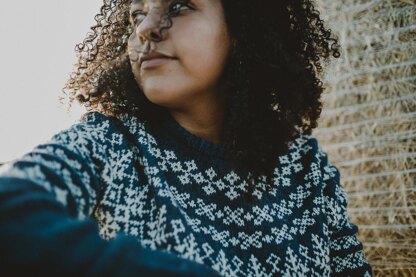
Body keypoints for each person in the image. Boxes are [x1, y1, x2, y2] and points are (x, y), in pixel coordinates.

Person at [0, 0, 373, 276]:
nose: (145, 28)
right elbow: (9, 211)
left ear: (244, 31)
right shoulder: (110, 144)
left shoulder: (306, 170)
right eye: (137, 13)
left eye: (178, 6)